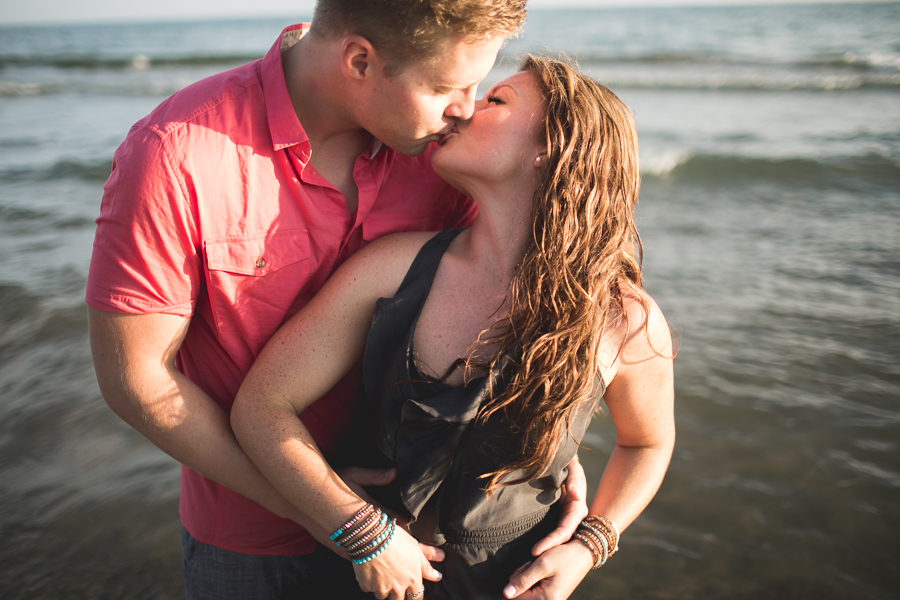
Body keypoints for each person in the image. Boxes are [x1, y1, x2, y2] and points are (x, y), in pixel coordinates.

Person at [86, 1, 589, 597]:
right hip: (253, 540)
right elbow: (137, 380)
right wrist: (337, 518)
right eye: (447, 85)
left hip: (418, 526)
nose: (466, 108)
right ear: (359, 60)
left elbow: (497, 299)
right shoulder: (175, 154)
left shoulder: (443, 155)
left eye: (478, 84)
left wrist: (546, 456)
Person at [232, 55, 676, 600]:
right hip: (373, 578)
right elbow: (261, 406)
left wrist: (590, 545)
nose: (463, 111)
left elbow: (647, 443)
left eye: (495, 101)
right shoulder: (393, 269)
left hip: (515, 587)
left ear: (551, 149)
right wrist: (356, 527)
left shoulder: (621, 317)